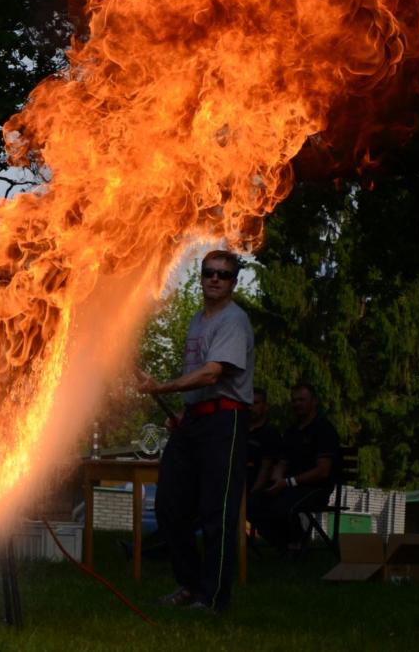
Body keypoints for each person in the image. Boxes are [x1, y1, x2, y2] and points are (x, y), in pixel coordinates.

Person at [138, 250, 253, 613]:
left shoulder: (234, 321)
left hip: (225, 421)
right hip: (195, 420)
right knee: (170, 505)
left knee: (216, 512)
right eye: (209, 272)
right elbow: (198, 383)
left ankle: (214, 597)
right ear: (202, 276)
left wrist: (163, 387)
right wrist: (186, 410)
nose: (215, 278)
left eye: (223, 274)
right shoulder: (196, 320)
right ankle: (189, 585)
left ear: (233, 283)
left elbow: (211, 373)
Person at [251, 384, 340, 551]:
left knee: (281, 507)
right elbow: (283, 462)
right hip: (289, 486)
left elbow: (323, 471)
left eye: (301, 400)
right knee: (255, 502)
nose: (297, 404)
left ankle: (296, 543)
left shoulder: (324, 429)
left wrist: (288, 482)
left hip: (316, 488)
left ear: (314, 402)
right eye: (294, 400)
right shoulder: (292, 431)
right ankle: (286, 546)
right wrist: (276, 479)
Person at [246, 388, 280, 498]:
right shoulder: (239, 430)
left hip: (255, 493)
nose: (251, 407)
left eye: (256, 403)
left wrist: (253, 494)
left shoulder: (270, 433)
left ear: (265, 407)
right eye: (249, 403)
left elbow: (266, 468)